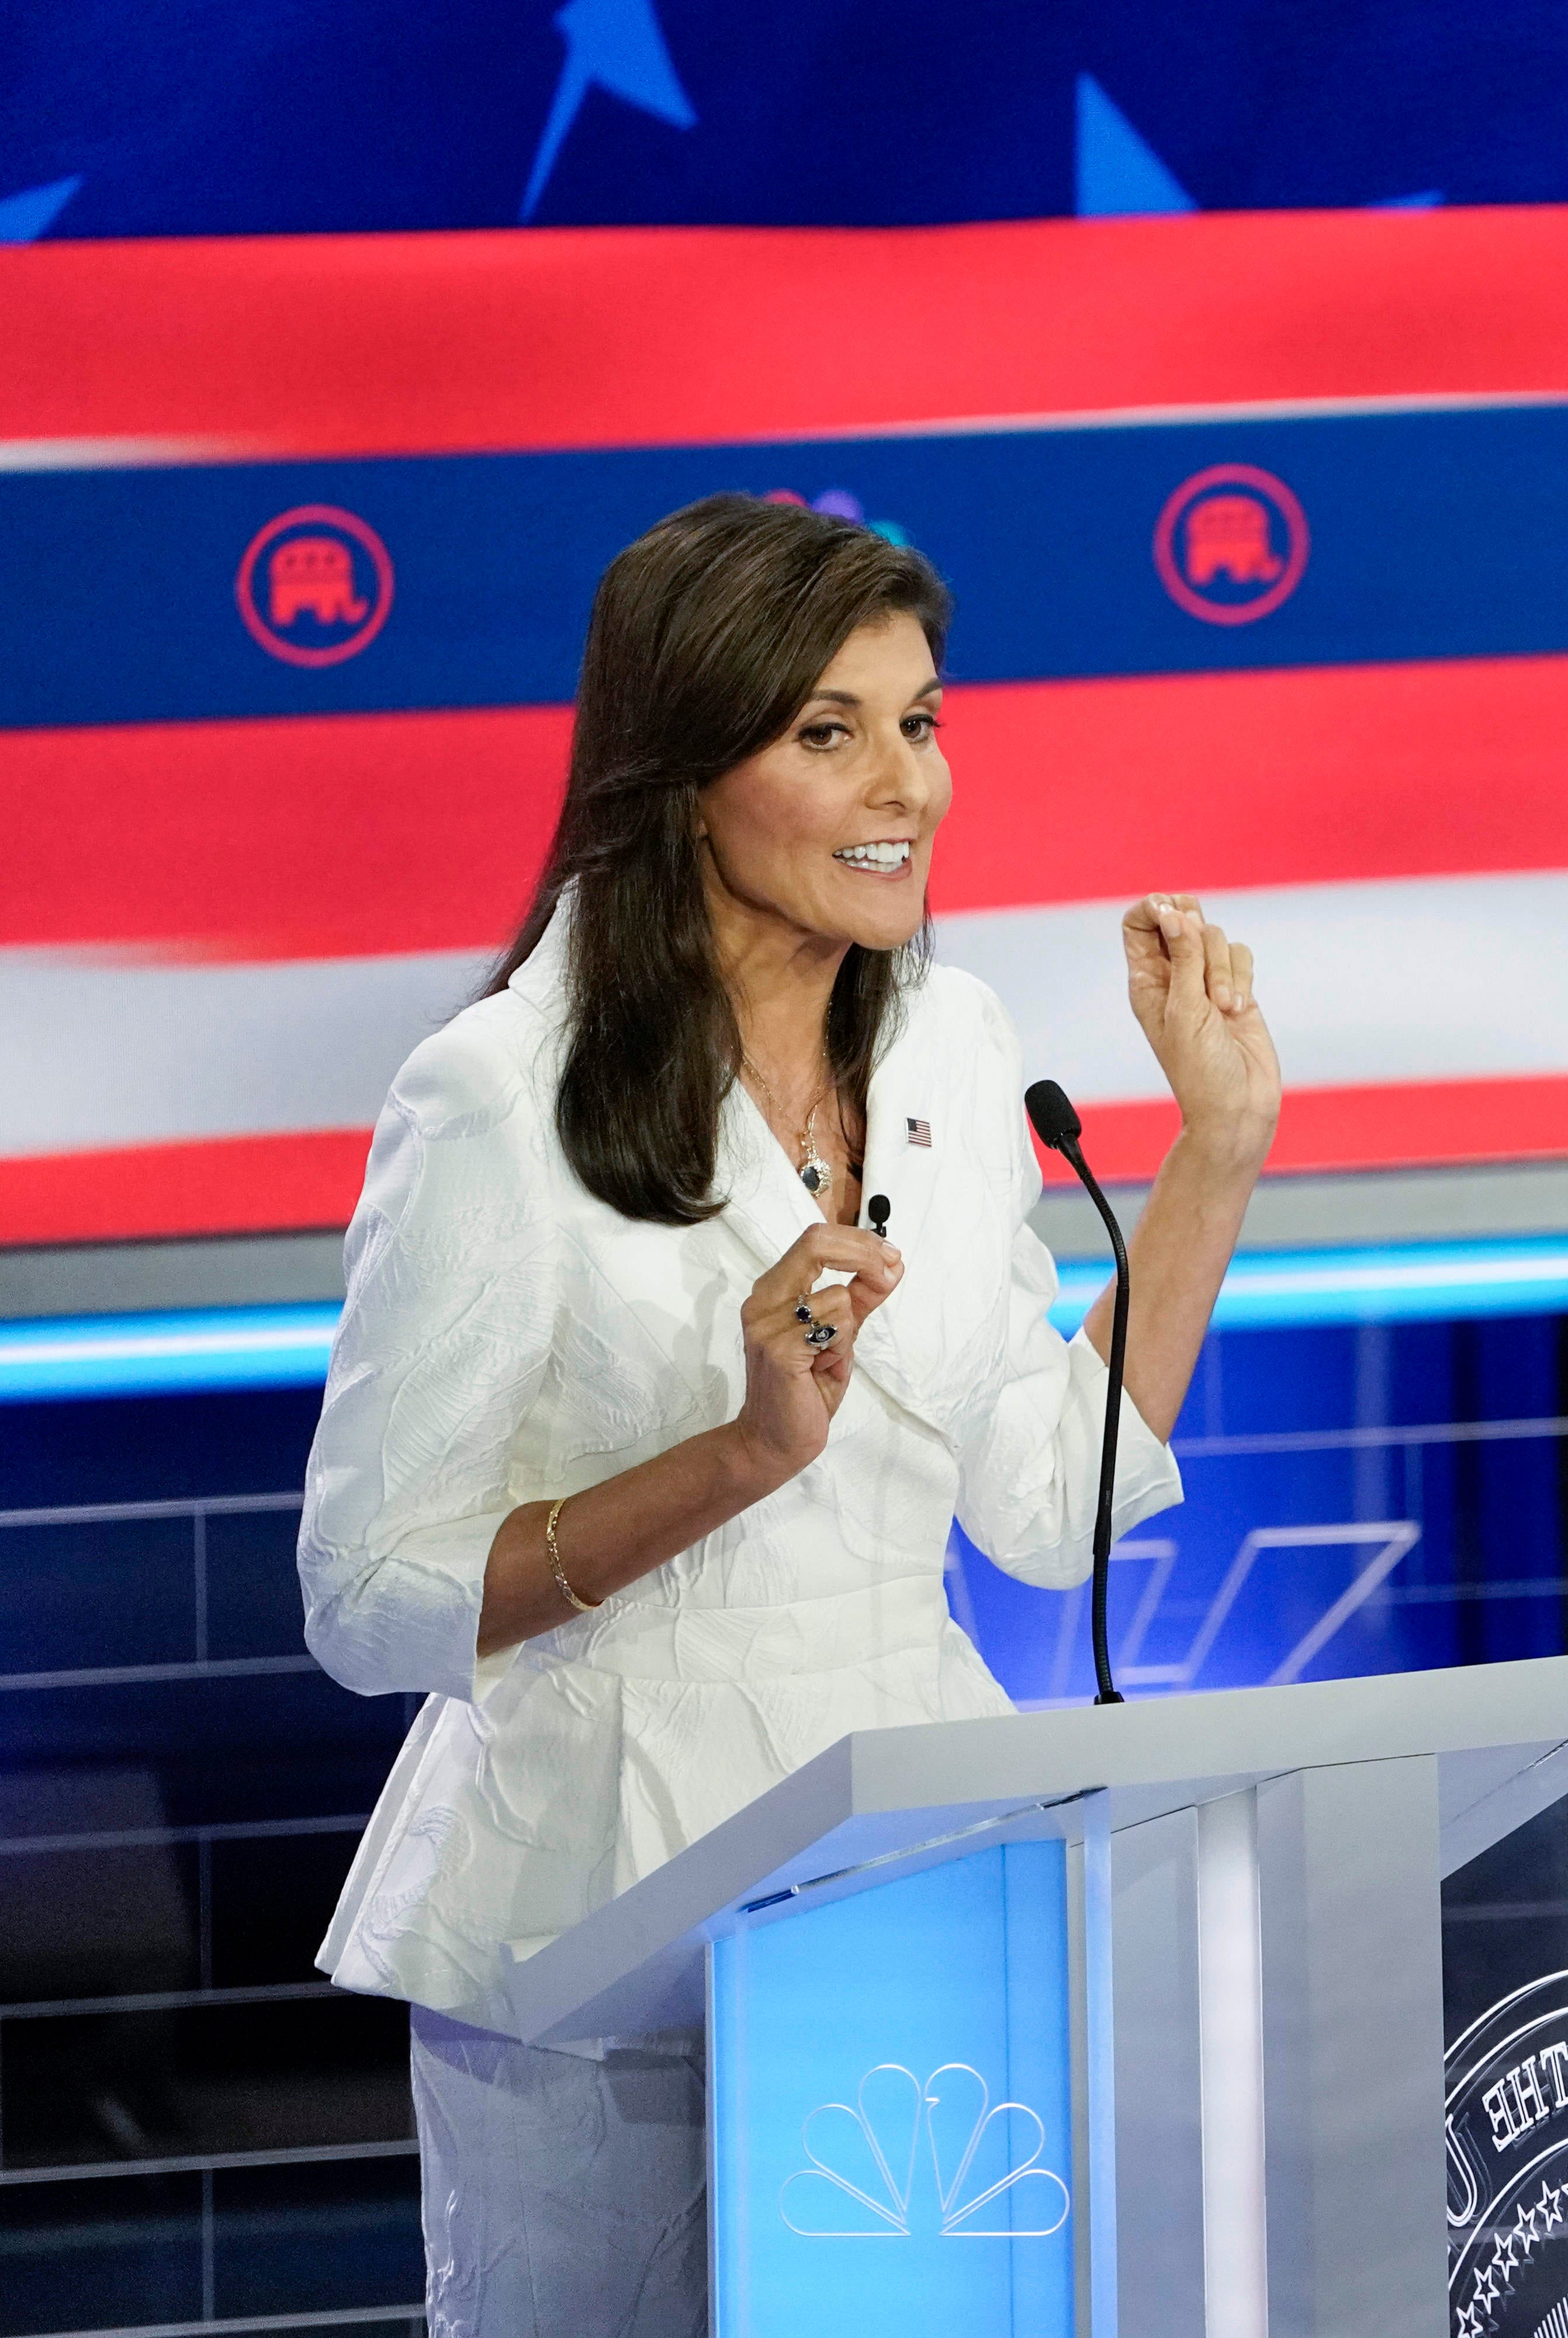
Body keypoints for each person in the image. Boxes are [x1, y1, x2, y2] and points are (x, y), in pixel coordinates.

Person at [296, 493, 1282, 2336]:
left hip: (916, 1864)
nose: (902, 783)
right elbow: (365, 1602)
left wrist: (1213, 1161)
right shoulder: (499, 1094)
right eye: (828, 733)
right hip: (599, 1915)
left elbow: (1037, 1502)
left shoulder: (955, 1046)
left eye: (920, 721)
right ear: (682, 776)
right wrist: (739, 1458)